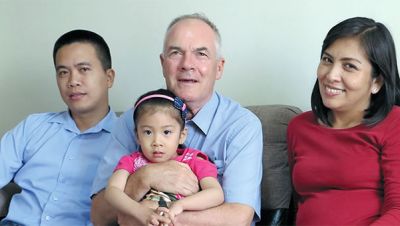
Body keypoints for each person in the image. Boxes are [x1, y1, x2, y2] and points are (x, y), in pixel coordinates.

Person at [91, 13, 263, 226]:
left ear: (219, 67)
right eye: (176, 53)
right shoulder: (132, 120)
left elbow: (238, 218)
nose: (187, 64)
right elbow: (99, 215)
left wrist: (148, 218)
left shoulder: (242, 126)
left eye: (201, 53)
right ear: (163, 64)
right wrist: (145, 177)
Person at [287, 17, 400, 225]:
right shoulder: (298, 127)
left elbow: (398, 209)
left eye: (349, 66)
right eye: (327, 60)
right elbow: (300, 203)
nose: (331, 75)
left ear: (377, 81)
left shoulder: (395, 122)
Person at [0, 29, 117, 226]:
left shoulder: (128, 139)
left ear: (109, 78)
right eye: (63, 72)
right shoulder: (33, 126)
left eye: (83, 69)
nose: (72, 81)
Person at [104, 88, 224, 225]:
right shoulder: (131, 162)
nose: (157, 142)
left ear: (182, 135)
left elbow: (216, 194)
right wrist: (141, 212)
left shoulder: (194, 160)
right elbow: (112, 192)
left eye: (166, 132)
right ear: (137, 136)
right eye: (148, 132)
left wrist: (181, 205)